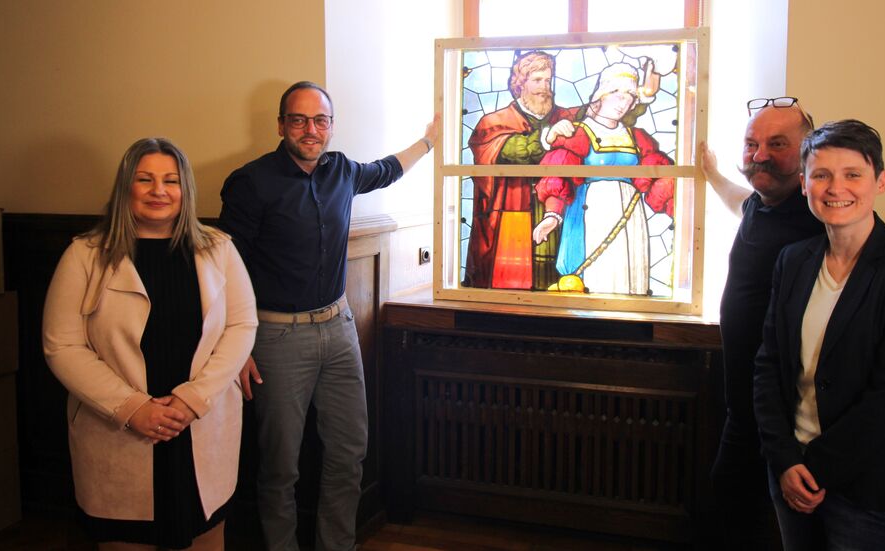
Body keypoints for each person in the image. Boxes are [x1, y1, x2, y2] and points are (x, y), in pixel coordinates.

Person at [217, 81, 437, 551]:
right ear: (281, 126)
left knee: (348, 452)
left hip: (339, 330)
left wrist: (429, 141)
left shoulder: (341, 171)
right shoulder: (251, 183)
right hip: (276, 339)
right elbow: (225, 270)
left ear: (331, 127)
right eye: (299, 120)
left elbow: (386, 170)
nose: (310, 130)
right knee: (280, 465)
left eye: (320, 121)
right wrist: (235, 350)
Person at [42, 138, 258, 550]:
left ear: (185, 189)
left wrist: (192, 399)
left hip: (197, 423)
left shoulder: (219, 249)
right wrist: (131, 407)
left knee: (206, 535)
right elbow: (62, 347)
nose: (159, 190)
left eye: (171, 180)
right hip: (120, 430)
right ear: (126, 187)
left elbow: (242, 326)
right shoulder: (84, 254)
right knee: (126, 537)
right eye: (145, 179)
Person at [753, 119, 885, 549]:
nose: (835, 188)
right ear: (805, 184)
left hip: (877, 488)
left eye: (852, 175)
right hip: (794, 478)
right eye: (821, 174)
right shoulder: (793, 261)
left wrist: (815, 469)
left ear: (880, 181)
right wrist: (785, 460)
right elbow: (769, 367)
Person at [701, 97, 823, 550]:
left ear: (808, 151)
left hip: (788, 424)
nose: (760, 155)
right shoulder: (762, 203)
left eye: (778, 144)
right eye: (752, 144)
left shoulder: (819, 212)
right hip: (744, 410)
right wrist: (712, 175)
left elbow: (880, 254)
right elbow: (741, 200)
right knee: (732, 512)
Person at [534, 61, 672, 295]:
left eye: (629, 96)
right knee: (596, 279)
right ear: (601, 94)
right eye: (617, 94)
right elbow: (558, 173)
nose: (624, 102)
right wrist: (552, 215)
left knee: (630, 278)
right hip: (591, 215)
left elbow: (660, 178)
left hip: (630, 217)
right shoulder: (577, 133)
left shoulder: (637, 137)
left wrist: (677, 208)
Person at [464, 50, 579, 290]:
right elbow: (514, 151)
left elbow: (599, 114)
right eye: (537, 80)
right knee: (514, 283)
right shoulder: (494, 122)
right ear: (519, 84)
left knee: (557, 283)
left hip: (557, 213)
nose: (544, 87)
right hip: (512, 214)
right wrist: (549, 135)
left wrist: (642, 96)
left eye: (548, 80)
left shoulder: (563, 116)